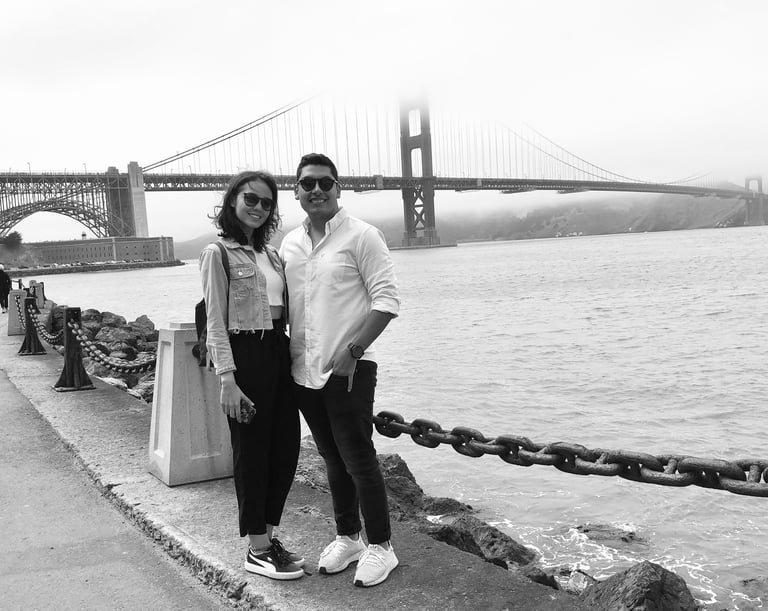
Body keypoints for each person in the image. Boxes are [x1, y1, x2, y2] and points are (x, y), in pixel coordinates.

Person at [280, 153, 401, 587]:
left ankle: (382, 547)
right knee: (331, 457)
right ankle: (348, 537)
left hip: (348, 369)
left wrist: (354, 351)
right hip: (303, 370)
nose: (317, 190)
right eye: (308, 183)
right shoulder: (289, 245)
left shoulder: (363, 236)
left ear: (338, 188)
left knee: (359, 459)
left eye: (325, 183)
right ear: (296, 191)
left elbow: (386, 300)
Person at [199, 170, 303, 581]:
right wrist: (227, 379)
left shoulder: (272, 255)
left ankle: (269, 538)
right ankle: (257, 548)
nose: (258, 207)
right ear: (232, 200)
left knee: (285, 449)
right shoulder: (217, 253)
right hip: (245, 354)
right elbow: (214, 322)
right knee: (252, 452)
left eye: (266, 202)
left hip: (278, 348)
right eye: (251, 199)